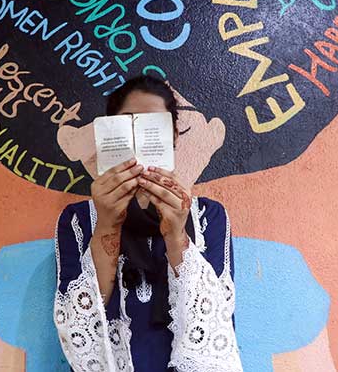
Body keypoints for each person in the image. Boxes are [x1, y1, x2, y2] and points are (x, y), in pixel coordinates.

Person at [53, 76, 244, 372]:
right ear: (110, 136)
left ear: (174, 137)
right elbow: (79, 331)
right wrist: (107, 223)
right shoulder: (77, 220)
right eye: (127, 126)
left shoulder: (208, 217)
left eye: (153, 127)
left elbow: (216, 325)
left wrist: (176, 233)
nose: (138, 140)